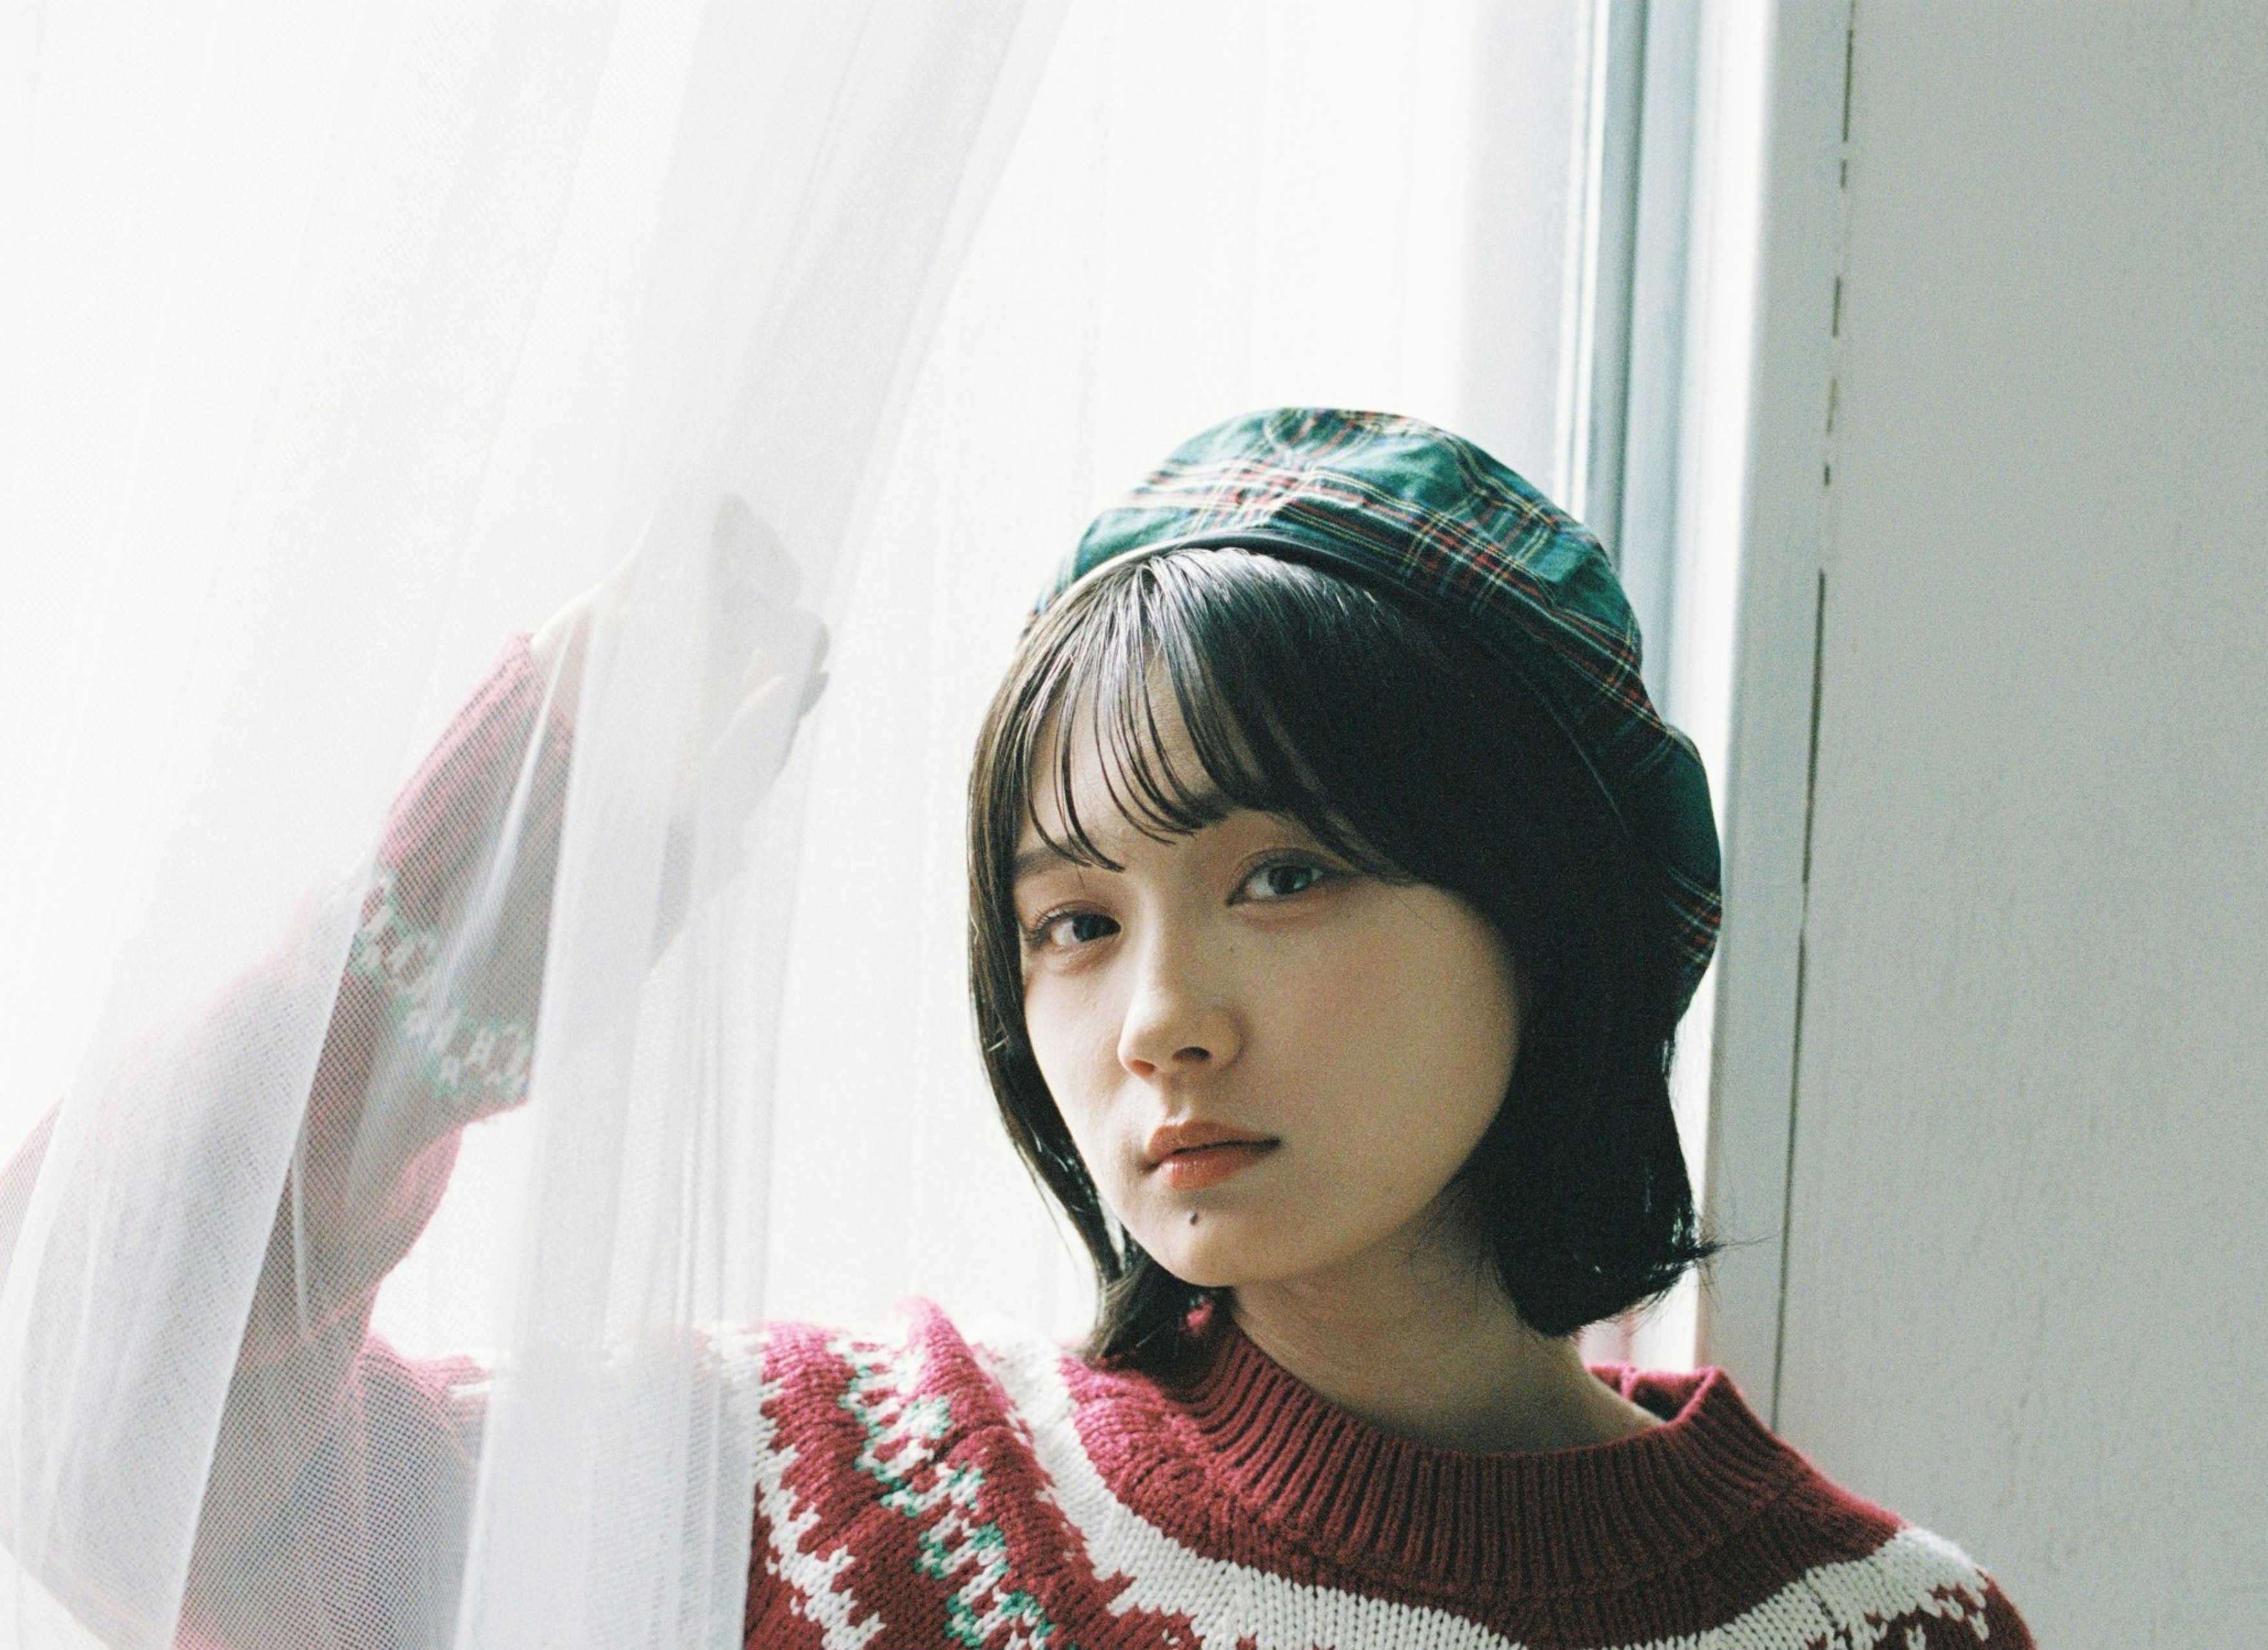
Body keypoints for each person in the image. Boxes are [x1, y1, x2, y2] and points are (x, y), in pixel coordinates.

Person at [26, 409, 2036, 1647]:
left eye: (1281, 879)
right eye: (1072, 921)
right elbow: (87, 1409)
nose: (1157, 1019)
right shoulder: (825, 1509)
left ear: (1556, 908)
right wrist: (437, 953)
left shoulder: (1890, 1632)